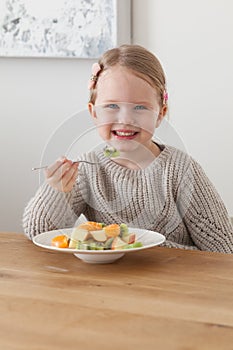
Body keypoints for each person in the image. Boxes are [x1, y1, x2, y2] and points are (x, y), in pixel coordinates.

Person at [23, 44, 233, 253]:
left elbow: (224, 248)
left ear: (160, 113)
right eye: (112, 106)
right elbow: (38, 232)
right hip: (108, 281)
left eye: (140, 107)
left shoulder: (180, 170)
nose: (125, 120)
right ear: (93, 112)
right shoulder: (87, 170)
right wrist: (57, 191)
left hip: (175, 279)